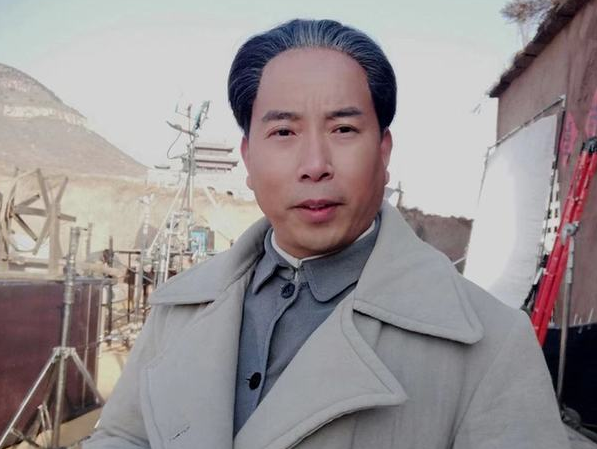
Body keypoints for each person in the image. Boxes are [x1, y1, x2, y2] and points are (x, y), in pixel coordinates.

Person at [85, 19, 570, 449]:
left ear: (384, 152)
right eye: (284, 132)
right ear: (248, 158)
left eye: (343, 130)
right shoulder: (178, 309)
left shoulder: (491, 344)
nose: (315, 165)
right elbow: (123, 435)